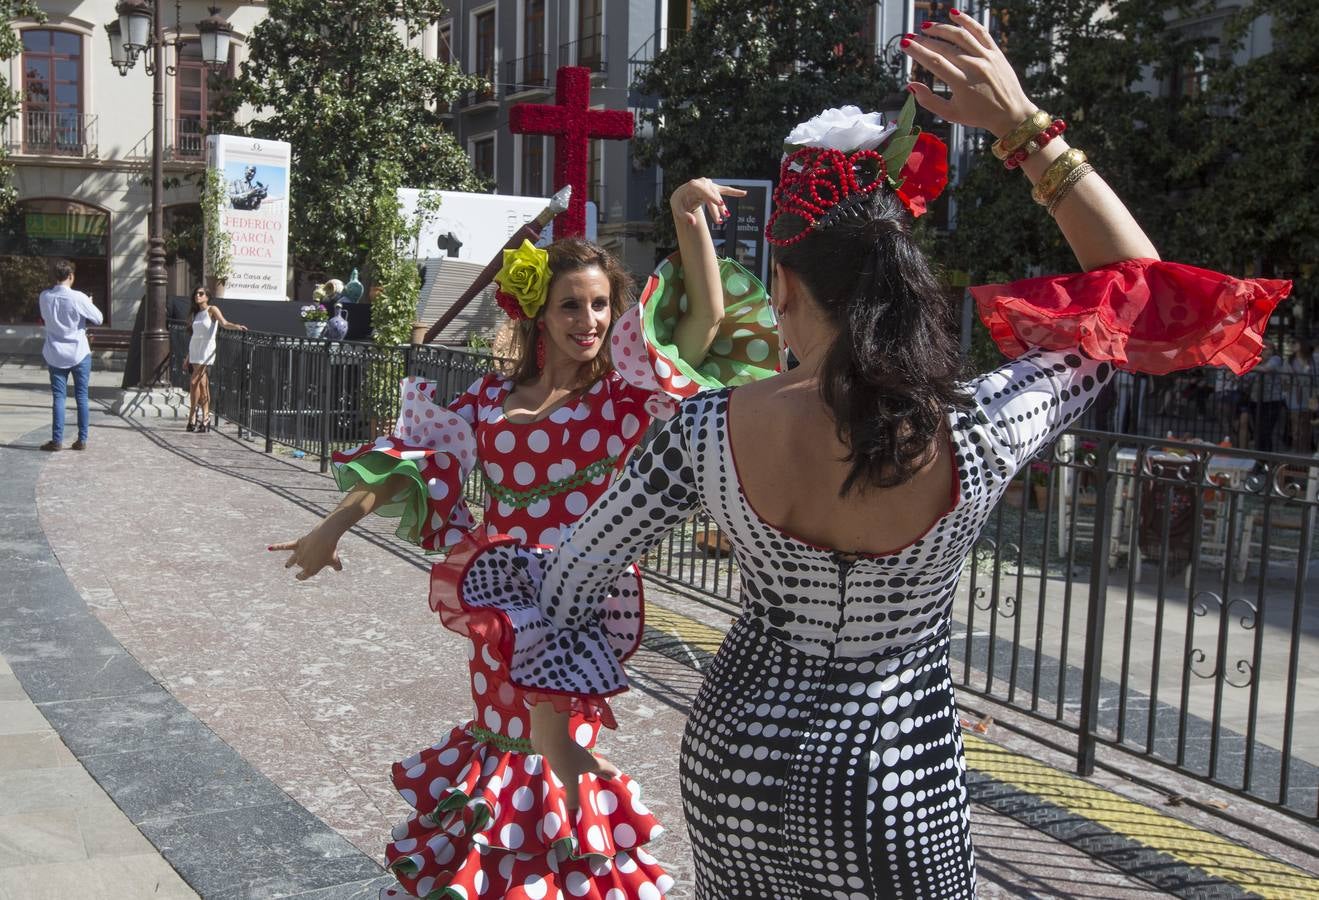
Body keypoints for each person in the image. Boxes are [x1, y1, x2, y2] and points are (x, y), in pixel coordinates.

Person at [446, 14, 1289, 899]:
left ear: (782, 288)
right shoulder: (979, 427)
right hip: (895, 781)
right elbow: (1135, 291)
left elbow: (565, 581)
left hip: (736, 761)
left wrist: (553, 726)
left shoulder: (701, 432)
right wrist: (1025, 129)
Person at [270, 210, 779, 898]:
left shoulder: (623, 395)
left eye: (600, 304)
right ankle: (508, 880)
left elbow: (707, 321)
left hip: (580, 606)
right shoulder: (488, 397)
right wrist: (331, 527)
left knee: (545, 754)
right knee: (503, 742)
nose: (589, 319)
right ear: (539, 314)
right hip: (498, 607)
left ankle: (555, 880)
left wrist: (688, 214)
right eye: (571, 304)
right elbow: (413, 466)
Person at [39, 259, 103, 452]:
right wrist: (88, 305)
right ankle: (81, 439)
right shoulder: (79, 297)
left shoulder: (44, 296)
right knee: (82, 396)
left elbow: (45, 317)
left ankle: (56, 440)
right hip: (79, 352)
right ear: (71, 276)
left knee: (59, 397)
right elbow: (98, 319)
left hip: (55, 352)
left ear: (54, 276)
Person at [186, 287, 246, 433]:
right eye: (196, 294)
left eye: (201, 294)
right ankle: (205, 418)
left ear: (207, 296)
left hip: (206, 350)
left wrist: (237, 327)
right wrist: (187, 356)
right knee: (200, 384)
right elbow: (194, 334)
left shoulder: (212, 309)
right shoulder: (195, 313)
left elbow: (224, 323)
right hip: (195, 349)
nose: (197, 296)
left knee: (194, 382)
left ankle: (192, 416)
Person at [1286, 339, 1315, 454]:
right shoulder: (1290, 360)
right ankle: (1296, 449)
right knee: (1295, 423)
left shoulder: (1310, 360)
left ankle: (1305, 449)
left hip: (1308, 395)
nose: (1293, 345)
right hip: (1294, 395)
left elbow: (1313, 375)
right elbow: (1286, 378)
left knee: (1306, 424)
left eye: (1296, 343)